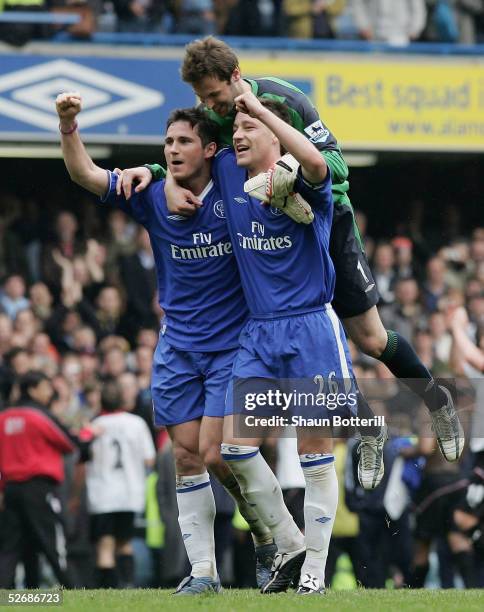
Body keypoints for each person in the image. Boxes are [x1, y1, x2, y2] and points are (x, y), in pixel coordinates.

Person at [118, 35, 464, 479]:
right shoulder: (211, 116)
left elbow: (336, 167)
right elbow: (190, 158)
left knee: (371, 340)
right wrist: (160, 175)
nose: (212, 107)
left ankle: (437, 398)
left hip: (321, 221)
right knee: (298, 333)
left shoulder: (287, 99)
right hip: (260, 231)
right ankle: (367, 430)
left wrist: (289, 171)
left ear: (237, 77)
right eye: (202, 98)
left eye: (217, 96)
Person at [55, 92, 276, 595]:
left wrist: (158, 170)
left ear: (210, 149)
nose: (174, 149)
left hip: (233, 346)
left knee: (219, 453)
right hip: (178, 345)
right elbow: (86, 175)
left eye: (184, 142)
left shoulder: (233, 180)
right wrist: (69, 126)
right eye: (167, 143)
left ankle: (267, 538)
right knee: (186, 456)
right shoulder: (152, 193)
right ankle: (203, 574)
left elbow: (254, 143)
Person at [214, 91, 356, 595]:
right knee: (235, 448)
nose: (237, 135)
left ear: (276, 134)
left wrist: (260, 107)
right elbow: (185, 155)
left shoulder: (308, 185)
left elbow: (318, 160)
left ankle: (315, 574)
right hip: (259, 330)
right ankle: (292, 546)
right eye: (235, 128)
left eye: (248, 127)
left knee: (314, 455)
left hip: (311, 328)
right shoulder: (229, 171)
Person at [0, 371, 78, 587]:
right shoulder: (38, 416)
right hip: (37, 487)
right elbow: (68, 443)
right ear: (33, 389)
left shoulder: (4, 417)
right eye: (45, 386)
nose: (49, 391)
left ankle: (7, 594)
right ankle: (72, 590)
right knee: (49, 542)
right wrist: (87, 435)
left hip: (11, 489)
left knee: (10, 547)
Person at [85, 378, 156, 588]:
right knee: (125, 543)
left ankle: (106, 590)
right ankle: (127, 584)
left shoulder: (95, 426)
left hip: (102, 493)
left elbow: (83, 456)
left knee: (105, 545)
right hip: (130, 493)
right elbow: (149, 459)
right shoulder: (136, 423)